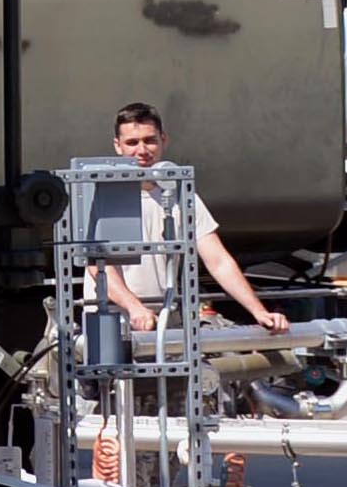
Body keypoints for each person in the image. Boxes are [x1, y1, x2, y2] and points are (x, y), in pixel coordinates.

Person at [97, 101, 289, 333]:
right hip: (112, 323)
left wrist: (258, 311)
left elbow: (218, 260)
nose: (142, 150)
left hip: (165, 320)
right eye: (132, 142)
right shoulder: (104, 197)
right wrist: (134, 307)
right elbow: (98, 267)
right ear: (117, 146)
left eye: (150, 140)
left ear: (163, 140)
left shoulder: (183, 196)